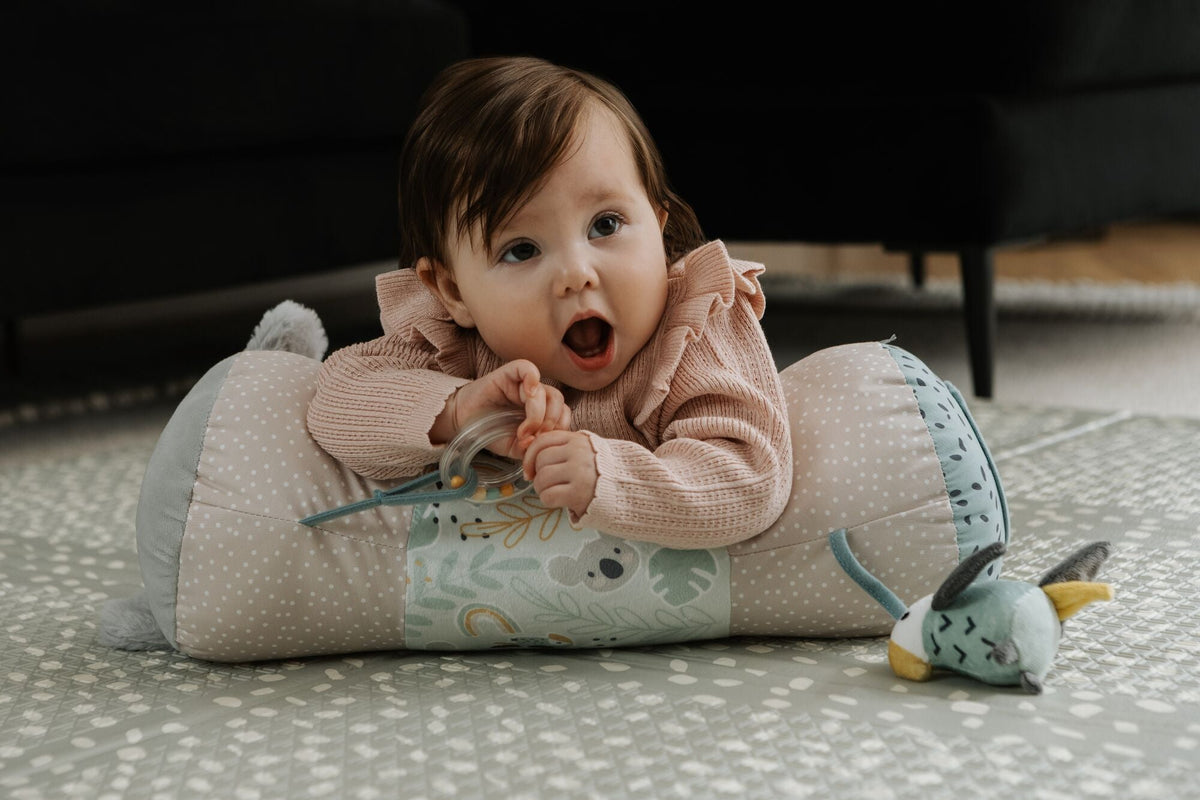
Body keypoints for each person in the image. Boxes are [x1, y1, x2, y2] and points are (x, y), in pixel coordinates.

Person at [307, 56, 792, 549]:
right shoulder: (459, 343)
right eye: (522, 250)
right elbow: (335, 402)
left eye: (605, 225)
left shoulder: (694, 328)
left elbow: (751, 477)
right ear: (454, 292)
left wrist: (607, 476)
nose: (576, 274)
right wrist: (458, 411)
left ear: (658, 224)